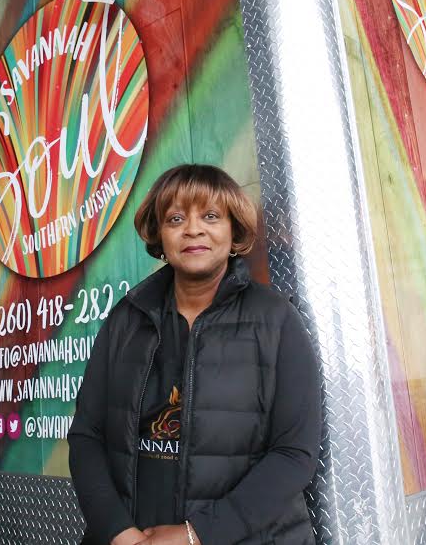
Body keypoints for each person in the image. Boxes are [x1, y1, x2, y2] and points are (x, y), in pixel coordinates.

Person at [68, 164, 322, 545]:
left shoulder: (275, 320)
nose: (193, 229)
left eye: (210, 216)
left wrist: (196, 535)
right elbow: (88, 436)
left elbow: (294, 454)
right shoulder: (126, 318)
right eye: (175, 218)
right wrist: (119, 533)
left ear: (234, 231)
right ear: (160, 235)